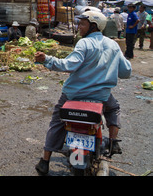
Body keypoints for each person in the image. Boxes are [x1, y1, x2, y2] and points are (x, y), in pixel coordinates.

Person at [34, 11, 132, 175]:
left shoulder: (84, 43)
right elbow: (126, 72)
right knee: (113, 109)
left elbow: (69, 65)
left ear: (94, 26)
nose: (79, 27)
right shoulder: (113, 45)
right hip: (100, 96)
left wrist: (47, 60)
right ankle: (113, 142)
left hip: (73, 95)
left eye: (82, 24)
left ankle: (45, 161)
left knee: (57, 123)